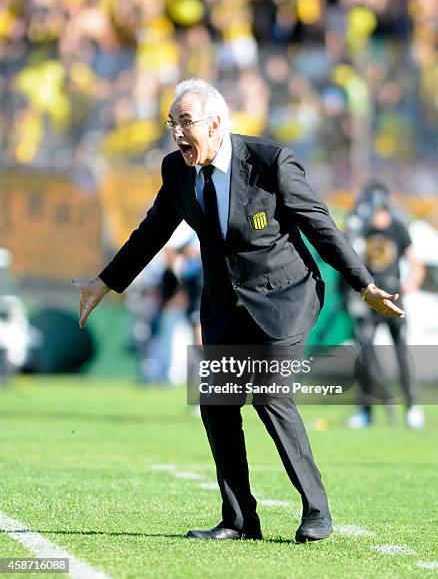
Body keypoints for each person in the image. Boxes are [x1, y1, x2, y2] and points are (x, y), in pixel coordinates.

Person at [72, 79, 404, 543]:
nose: (177, 134)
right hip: (226, 304)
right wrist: (105, 281)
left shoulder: (271, 163)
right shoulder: (177, 170)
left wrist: (365, 283)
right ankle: (240, 519)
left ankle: (316, 511)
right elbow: (152, 233)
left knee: (270, 395)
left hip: (286, 297)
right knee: (218, 403)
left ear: (216, 124)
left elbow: (321, 227)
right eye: (172, 124)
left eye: (185, 123)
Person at [345, 182, 425, 429]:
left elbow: (416, 265)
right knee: (366, 357)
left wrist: (407, 288)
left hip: (393, 302)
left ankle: (412, 407)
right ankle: (366, 411)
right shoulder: (363, 229)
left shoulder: (398, 229)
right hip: (370, 301)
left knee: (402, 353)